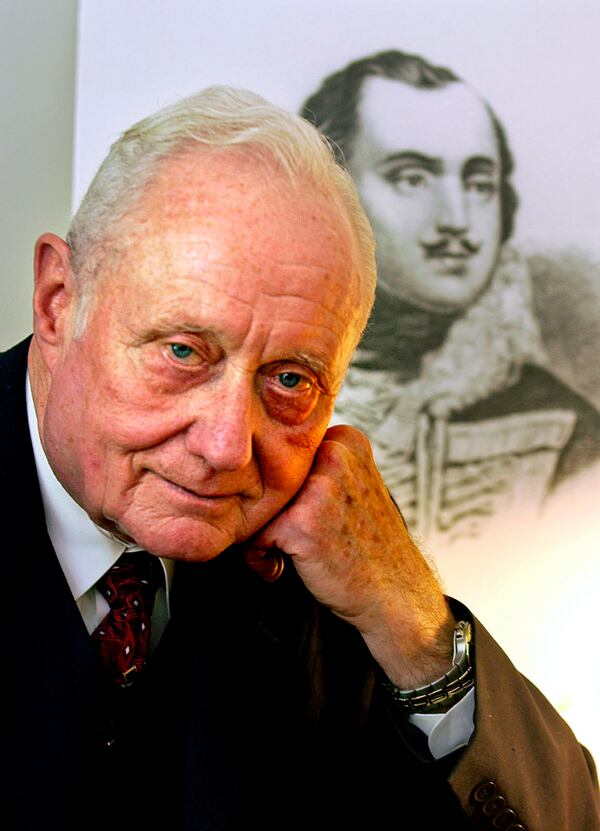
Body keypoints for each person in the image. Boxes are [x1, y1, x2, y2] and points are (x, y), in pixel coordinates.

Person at [0, 86, 597, 831]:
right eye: (184, 351)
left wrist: (412, 618)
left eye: (290, 380)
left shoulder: (328, 563)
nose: (225, 446)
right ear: (58, 301)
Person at [300, 50, 600, 546]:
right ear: (330, 189)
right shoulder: (247, 404)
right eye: (413, 179)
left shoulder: (563, 430)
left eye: (479, 183)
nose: (457, 219)